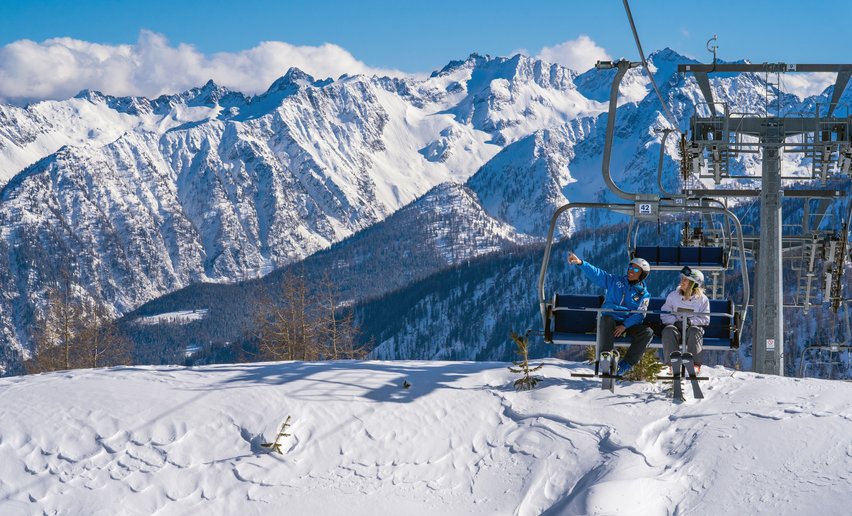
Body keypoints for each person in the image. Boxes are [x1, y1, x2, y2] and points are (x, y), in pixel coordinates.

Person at [567, 252, 653, 376]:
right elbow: (598, 275)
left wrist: (625, 325)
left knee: (647, 332)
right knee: (606, 318)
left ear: (642, 275)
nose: (631, 271)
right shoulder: (615, 281)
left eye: (635, 269)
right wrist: (581, 263)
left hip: (627, 325)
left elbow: (641, 314)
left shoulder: (643, 295)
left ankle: (624, 365)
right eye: (630, 267)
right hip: (610, 321)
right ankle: (606, 357)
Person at [660, 266, 710, 373]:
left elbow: (705, 319)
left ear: (694, 284)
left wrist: (691, 322)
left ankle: (695, 364)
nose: (682, 281)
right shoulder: (673, 296)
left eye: (685, 280)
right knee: (668, 330)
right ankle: (672, 363)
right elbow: (664, 314)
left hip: (691, 329)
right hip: (676, 329)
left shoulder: (702, 300)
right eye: (682, 278)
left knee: (695, 331)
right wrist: (674, 322)